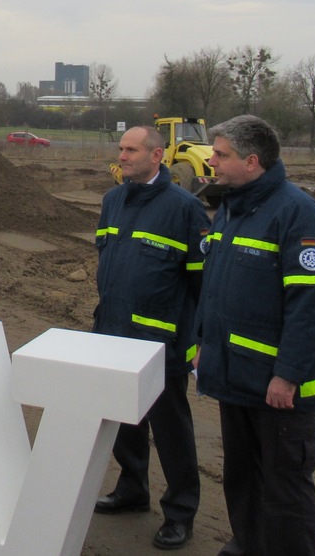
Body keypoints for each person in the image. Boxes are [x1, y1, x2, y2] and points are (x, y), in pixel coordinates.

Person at [194, 115, 315, 556]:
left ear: (251, 161)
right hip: (237, 378)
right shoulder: (233, 207)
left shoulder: (297, 212)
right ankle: (248, 544)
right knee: (242, 476)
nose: (212, 161)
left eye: (221, 155)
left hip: (280, 389)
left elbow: (311, 304)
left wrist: (288, 375)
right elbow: (216, 288)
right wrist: (204, 345)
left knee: (285, 491)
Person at [92, 125, 208, 551]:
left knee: (172, 428)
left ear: (157, 156)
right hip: (114, 331)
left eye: (131, 150)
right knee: (125, 417)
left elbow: (201, 285)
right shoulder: (112, 201)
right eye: (120, 148)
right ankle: (132, 488)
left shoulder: (185, 209)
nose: (121, 156)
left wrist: (196, 339)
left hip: (162, 341)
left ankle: (180, 512)